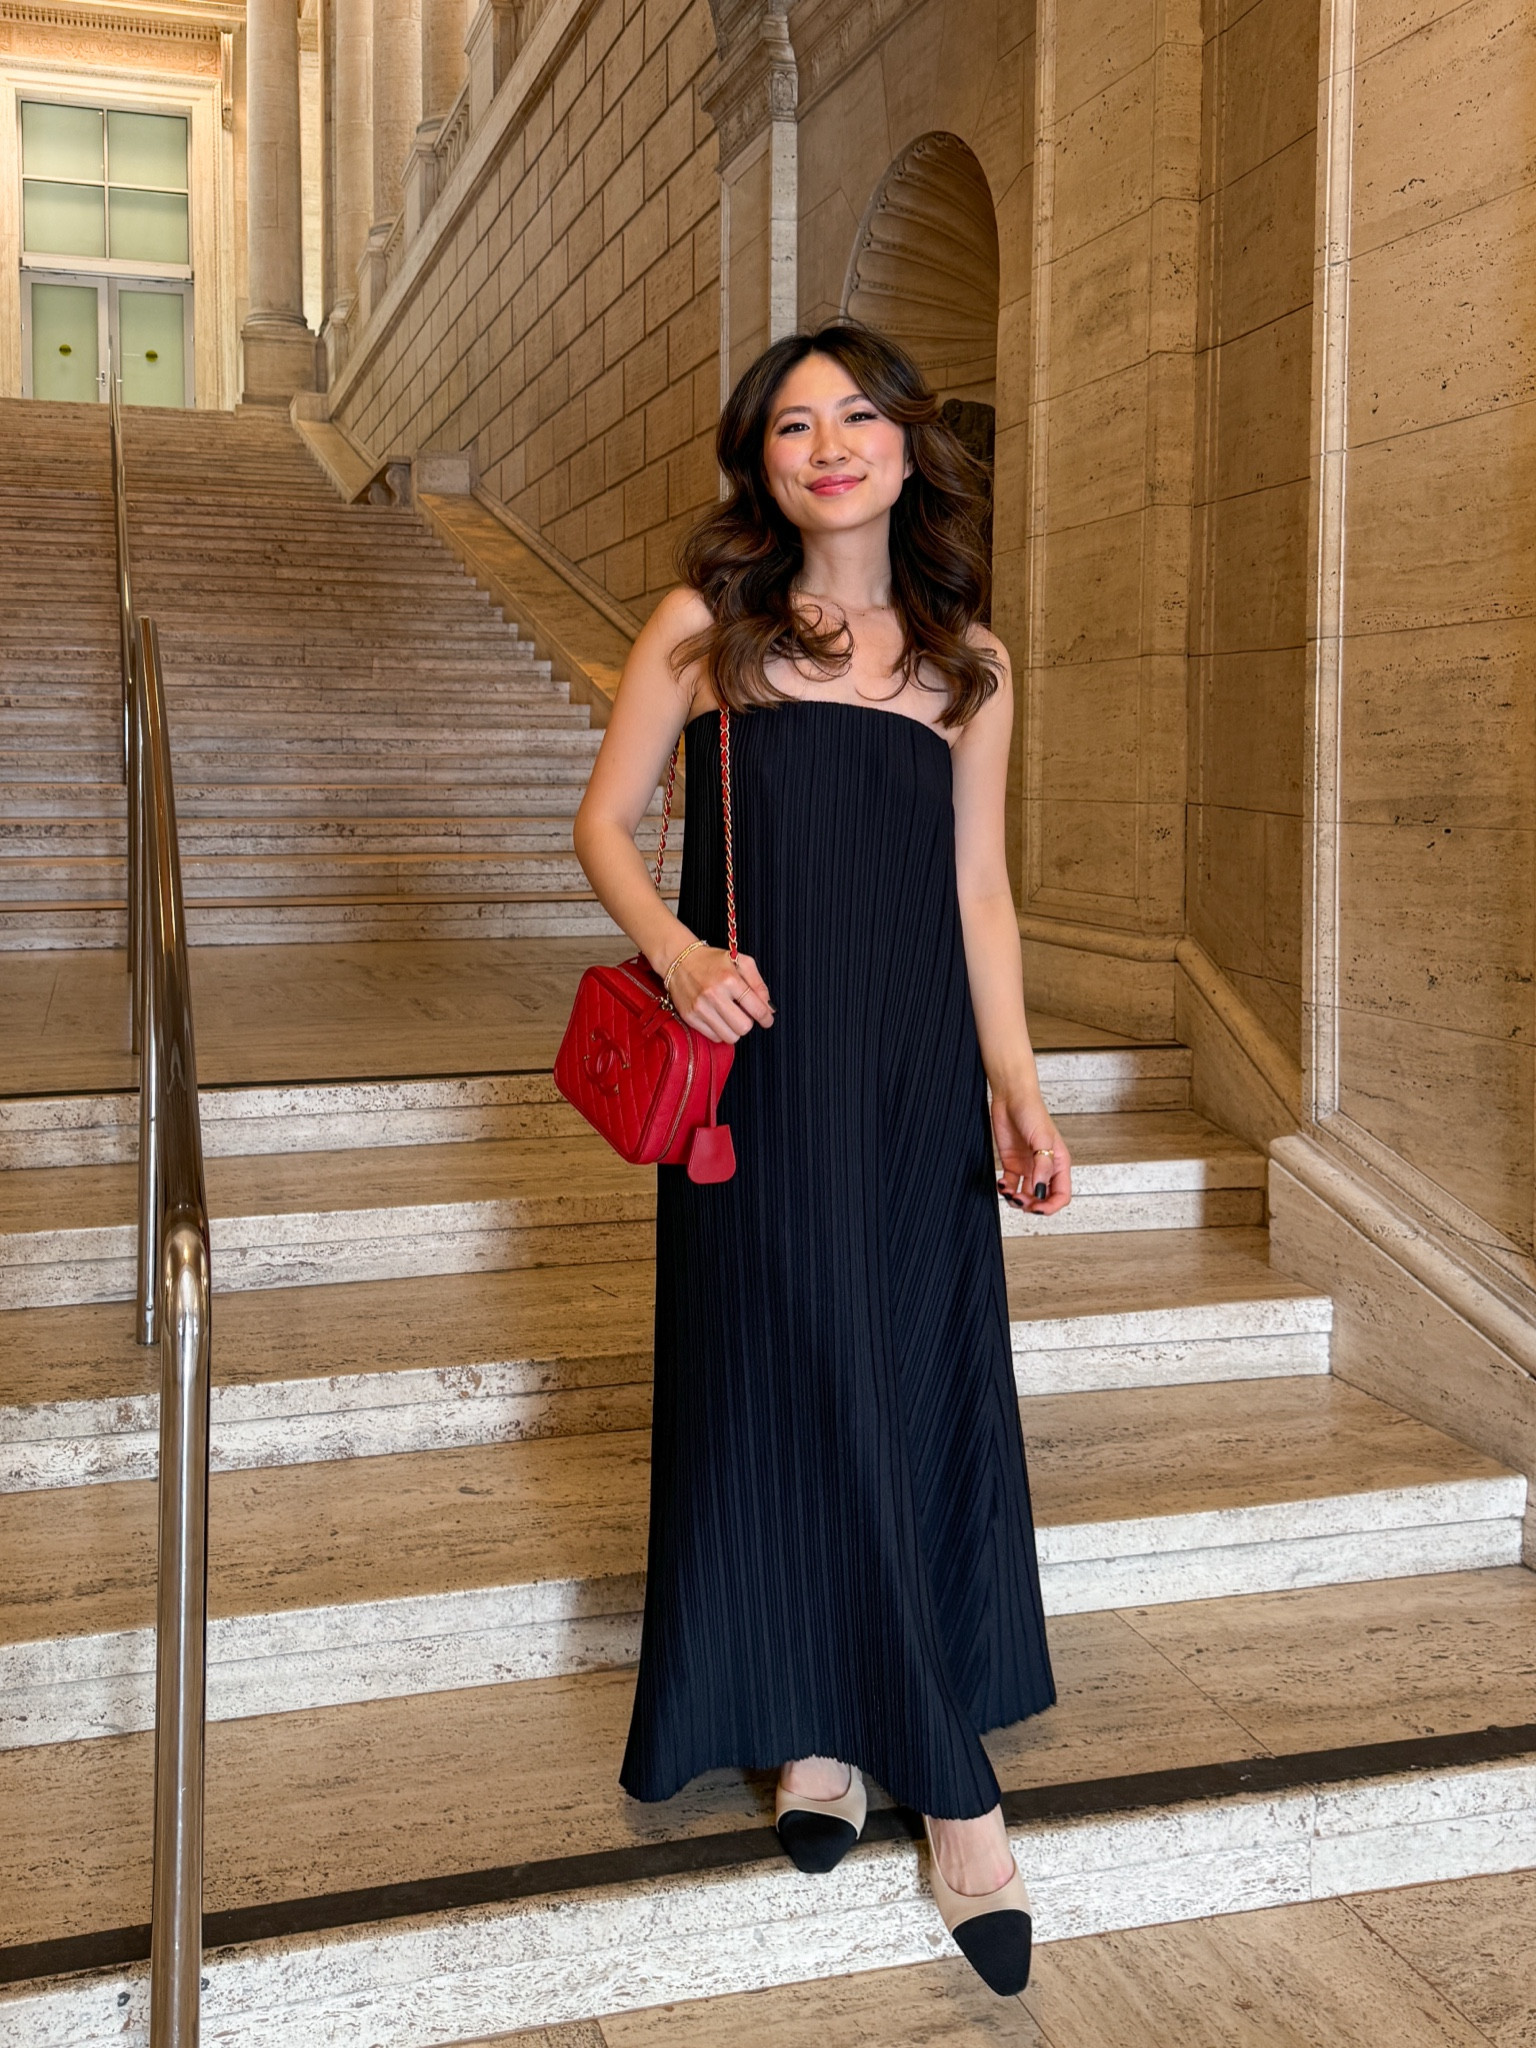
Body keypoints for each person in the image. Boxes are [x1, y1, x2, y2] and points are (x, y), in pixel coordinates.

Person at [572, 320, 1070, 1996]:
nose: (830, 443)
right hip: (759, 1067)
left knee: (914, 1376)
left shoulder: (967, 663)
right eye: (795, 424)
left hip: (919, 1074)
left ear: (909, 447)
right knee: (781, 1380)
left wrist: (1015, 1078)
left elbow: (979, 890)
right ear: (761, 461)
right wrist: (679, 953)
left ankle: (881, 1757)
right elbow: (602, 822)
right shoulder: (704, 629)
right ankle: (869, 1754)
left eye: (859, 415)